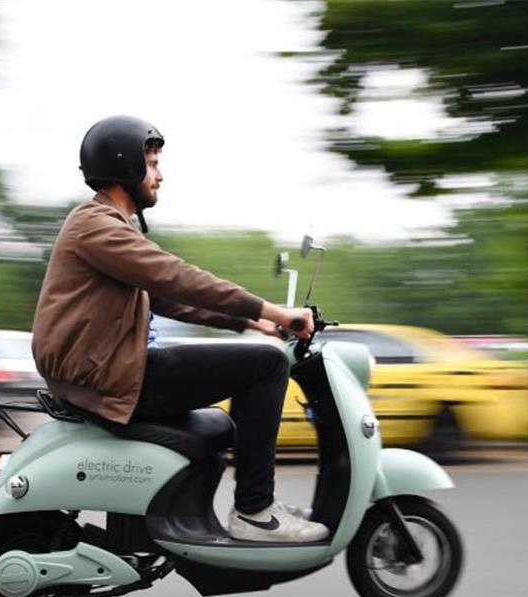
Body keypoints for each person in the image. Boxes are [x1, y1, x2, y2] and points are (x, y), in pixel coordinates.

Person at [31, 115, 329, 542]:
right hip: (109, 377)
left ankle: (213, 515)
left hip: (110, 371)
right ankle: (255, 512)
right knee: (265, 366)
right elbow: (176, 277)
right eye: (152, 163)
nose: (160, 175)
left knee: (218, 424)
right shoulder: (94, 225)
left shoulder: (107, 227)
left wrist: (248, 320)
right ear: (125, 168)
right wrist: (277, 313)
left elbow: (164, 298)